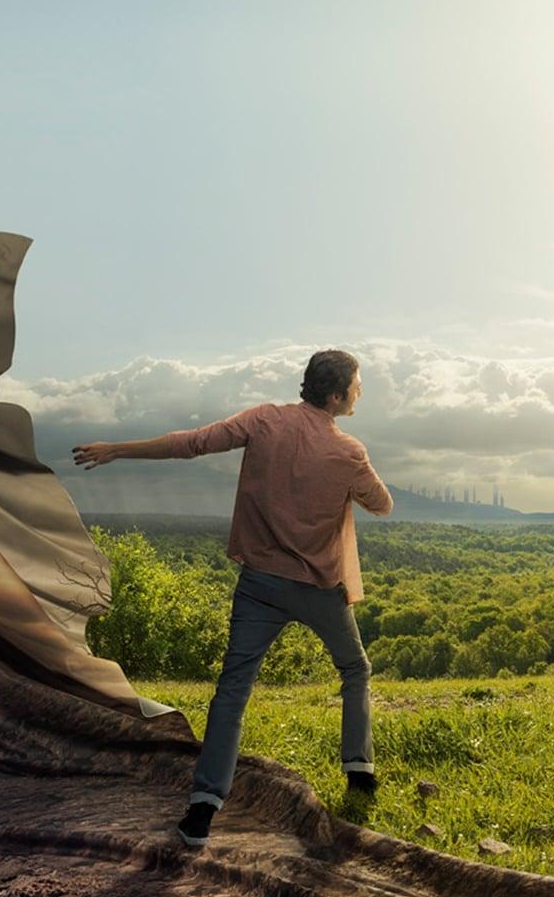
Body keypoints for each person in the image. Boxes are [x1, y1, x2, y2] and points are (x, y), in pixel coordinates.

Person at [70, 349, 393, 846]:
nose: (361, 391)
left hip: (259, 585)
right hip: (319, 590)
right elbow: (383, 505)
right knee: (355, 670)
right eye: (358, 383)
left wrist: (119, 448)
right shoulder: (348, 451)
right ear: (336, 395)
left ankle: (202, 808)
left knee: (232, 691)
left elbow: (193, 443)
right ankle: (359, 769)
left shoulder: (263, 420)